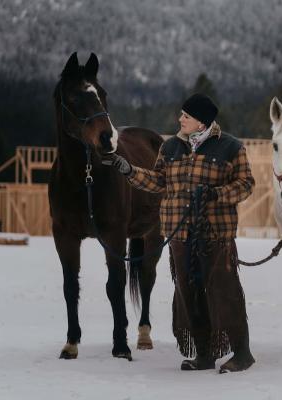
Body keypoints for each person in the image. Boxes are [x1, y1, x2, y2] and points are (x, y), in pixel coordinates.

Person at [103, 93, 256, 373]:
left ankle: (242, 353)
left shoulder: (230, 147)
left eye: (186, 115)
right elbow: (159, 181)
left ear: (202, 121)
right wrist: (128, 171)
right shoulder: (171, 147)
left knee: (224, 292)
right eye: (182, 114)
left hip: (215, 235)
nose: (180, 119)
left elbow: (246, 184)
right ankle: (205, 354)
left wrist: (216, 194)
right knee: (188, 294)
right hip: (180, 235)